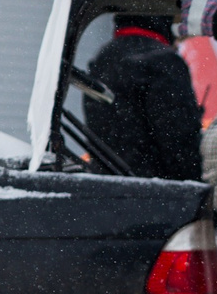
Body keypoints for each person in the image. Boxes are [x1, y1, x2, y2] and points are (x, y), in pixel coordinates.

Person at [85, 12, 204, 181]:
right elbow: (180, 146)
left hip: (106, 191)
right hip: (157, 195)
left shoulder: (103, 59)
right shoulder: (164, 61)